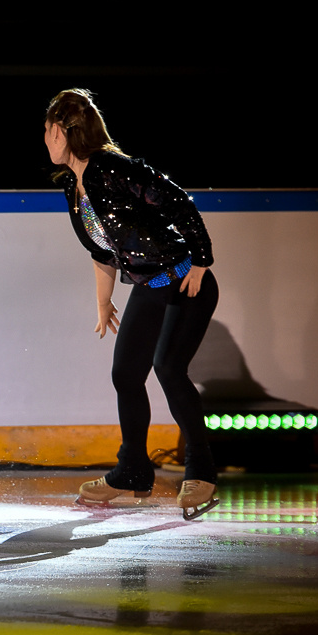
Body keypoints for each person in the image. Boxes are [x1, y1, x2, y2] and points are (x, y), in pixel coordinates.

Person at [44, 88, 220, 520]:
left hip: (185, 281)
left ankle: (202, 470)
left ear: (66, 132)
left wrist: (201, 259)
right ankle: (133, 472)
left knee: (168, 368)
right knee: (125, 373)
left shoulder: (112, 168)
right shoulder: (74, 184)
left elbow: (176, 199)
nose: (45, 139)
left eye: (48, 131)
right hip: (150, 285)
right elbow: (102, 250)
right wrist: (103, 302)